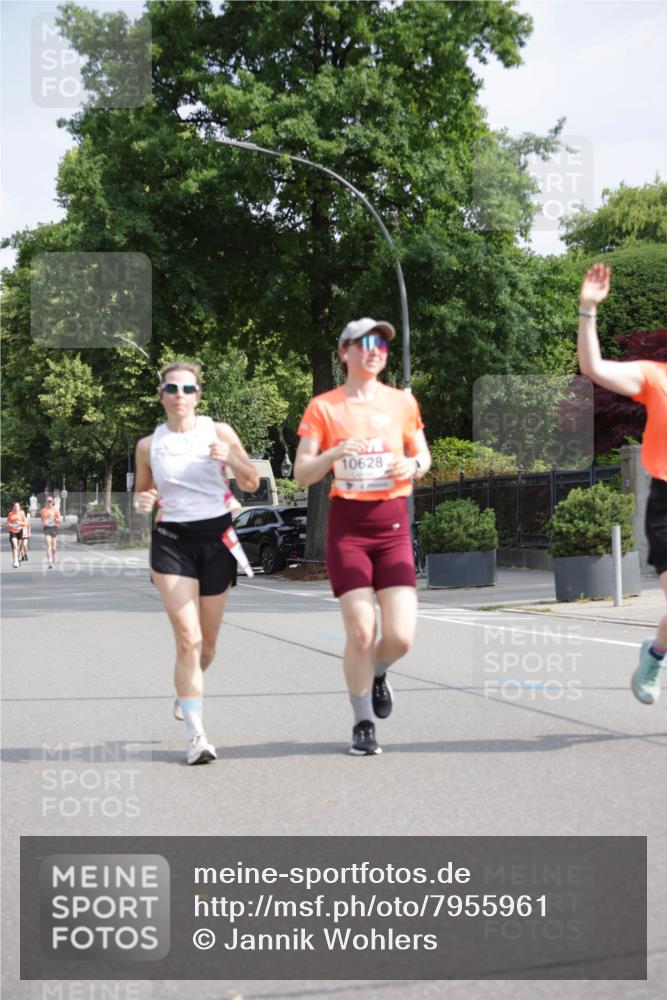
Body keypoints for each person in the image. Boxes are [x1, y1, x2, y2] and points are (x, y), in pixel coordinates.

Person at [294, 318, 431, 755]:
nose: (374, 350)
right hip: (348, 529)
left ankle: (377, 672)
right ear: (344, 353)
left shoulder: (402, 403)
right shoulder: (324, 408)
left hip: (392, 526)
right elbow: (301, 474)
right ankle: (362, 723)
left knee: (400, 636)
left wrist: (415, 466)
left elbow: (422, 453)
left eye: (381, 344)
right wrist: (334, 452)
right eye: (364, 343)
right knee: (360, 630)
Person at [133, 361, 259, 766]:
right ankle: (196, 736)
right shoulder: (148, 446)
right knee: (187, 640)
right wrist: (142, 502)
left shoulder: (218, 432)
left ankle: (185, 690)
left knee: (205, 647)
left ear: (198, 395)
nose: (180, 395)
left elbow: (252, 481)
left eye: (188, 389)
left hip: (217, 543)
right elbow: (142, 493)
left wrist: (233, 461)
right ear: (161, 395)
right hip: (172, 544)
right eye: (172, 388)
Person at [577, 262, 667, 704]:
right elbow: (592, 367)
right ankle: (654, 658)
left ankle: (655, 653)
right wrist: (587, 309)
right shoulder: (655, 377)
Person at [40, 496, 61, 568]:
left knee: (54, 548)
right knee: (48, 545)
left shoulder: (56, 510)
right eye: (48, 501)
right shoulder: (43, 510)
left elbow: (59, 520)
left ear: (52, 502)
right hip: (47, 528)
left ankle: (54, 555)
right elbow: (42, 520)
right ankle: (50, 562)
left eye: (50, 501)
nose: (49, 502)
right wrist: (44, 523)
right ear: (46, 502)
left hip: (54, 528)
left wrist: (55, 520)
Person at [7, 502, 28, 569]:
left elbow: (26, 523)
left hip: (20, 531)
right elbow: (8, 522)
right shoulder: (10, 514)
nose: (16, 508)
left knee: (18, 547)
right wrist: (10, 525)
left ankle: (17, 559)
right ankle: (15, 561)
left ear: (19, 507)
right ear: (13, 507)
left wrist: (20, 523)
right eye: (15, 506)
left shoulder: (22, 514)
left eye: (18, 506)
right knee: (15, 546)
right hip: (12, 531)